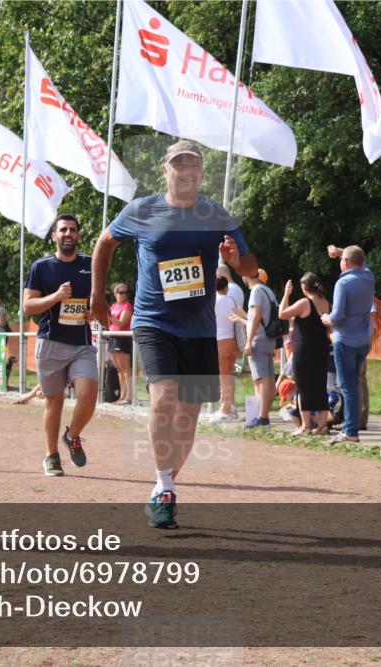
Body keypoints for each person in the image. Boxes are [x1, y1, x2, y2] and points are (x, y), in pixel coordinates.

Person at [90, 139, 258, 529]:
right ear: (165, 170)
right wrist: (97, 293)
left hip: (200, 328)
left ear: (202, 173)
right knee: (164, 398)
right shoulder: (142, 210)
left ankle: (163, 486)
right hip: (154, 322)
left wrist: (237, 261)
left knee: (188, 416)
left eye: (194, 165)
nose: (187, 171)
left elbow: (251, 266)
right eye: (179, 165)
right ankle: (165, 487)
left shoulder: (215, 214)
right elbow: (104, 243)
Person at [24, 214, 98, 477]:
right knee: (54, 402)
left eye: (73, 230)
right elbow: (28, 306)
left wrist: (94, 311)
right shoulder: (41, 267)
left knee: (88, 395)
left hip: (81, 344)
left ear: (79, 235)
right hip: (50, 343)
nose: (68, 234)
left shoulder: (90, 264)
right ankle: (52, 455)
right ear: (54, 235)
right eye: (63, 230)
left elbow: (99, 302)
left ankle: (72, 435)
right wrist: (56, 297)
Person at [321, 246, 375, 444]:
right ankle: (351, 427)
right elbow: (361, 260)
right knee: (354, 384)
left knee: (347, 386)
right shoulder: (368, 276)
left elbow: (337, 316)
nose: (339, 261)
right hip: (363, 341)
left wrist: (325, 319)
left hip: (344, 340)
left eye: (341, 259)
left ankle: (350, 430)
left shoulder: (342, 283)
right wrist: (342, 251)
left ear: (346, 262)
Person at [279, 273, 332, 436]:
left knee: (303, 387)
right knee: (320, 386)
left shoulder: (304, 303)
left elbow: (282, 314)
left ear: (304, 288)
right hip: (321, 349)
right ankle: (322, 425)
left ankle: (306, 425)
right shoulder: (325, 303)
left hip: (305, 349)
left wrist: (286, 294)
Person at [244, 269, 278, 428]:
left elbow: (256, 316)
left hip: (259, 339)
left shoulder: (256, 291)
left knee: (261, 380)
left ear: (247, 276)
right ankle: (263, 415)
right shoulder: (268, 291)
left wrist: (249, 340)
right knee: (269, 379)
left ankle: (262, 418)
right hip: (269, 339)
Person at [210, 276, 239, 422]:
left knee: (223, 376)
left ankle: (225, 408)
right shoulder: (231, 300)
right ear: (226, 287)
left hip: (219, 340)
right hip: (232, 340)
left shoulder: (212, 301)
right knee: (229, 374)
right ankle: (231, 406)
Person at [108, 282, 135, 405]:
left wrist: (108, 315)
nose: (124, 295)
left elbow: (121, 323)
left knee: (125, 368)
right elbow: (109, 323)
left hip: (122, 338)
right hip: (113, 337)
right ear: (115, 294)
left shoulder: (127, 306)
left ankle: (129, 397)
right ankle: (122, 395)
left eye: (126, 292)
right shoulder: (113, 306)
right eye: (121, 292)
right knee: (119, 369)